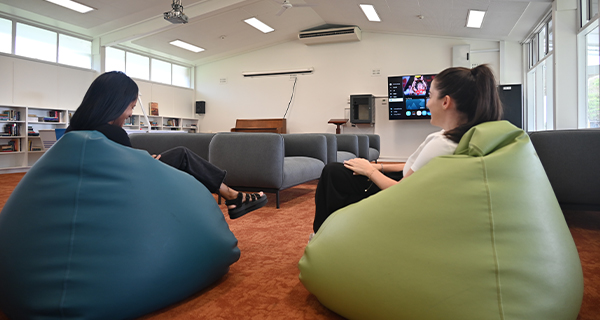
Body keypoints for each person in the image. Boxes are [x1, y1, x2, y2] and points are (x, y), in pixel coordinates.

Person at [312, 64, 503, 233]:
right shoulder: (462, 136)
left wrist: (369, 171)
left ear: (445, 102)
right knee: (340, 171)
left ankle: (322, 235)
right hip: (410, 183)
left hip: (401, 195)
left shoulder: (442, 144)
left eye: (429, 96)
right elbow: (417, 168)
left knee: (332, 172)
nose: (427, 103)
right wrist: (381, 167)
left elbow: (401, 191)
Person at [66, 71, 267, 219]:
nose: (129, 115)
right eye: (131, 107)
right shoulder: (113, 132)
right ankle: (233, 196)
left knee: (169, 156)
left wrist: (143, 158)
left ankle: (232, 196)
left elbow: (116, 160)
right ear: (116, 104)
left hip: (96, 188)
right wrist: (144, 160)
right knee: (182, 155)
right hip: (127, 189)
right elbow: (127, 171)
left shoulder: (74, 130)